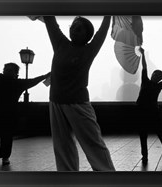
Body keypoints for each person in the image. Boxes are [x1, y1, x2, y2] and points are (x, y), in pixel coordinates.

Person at [43, 16, 115, 171]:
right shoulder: (60, 43)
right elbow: (50, 21)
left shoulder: (89, 49)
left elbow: (102, 32)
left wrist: (109, 12)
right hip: (55, 102)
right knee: (62, 148)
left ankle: (109, 177)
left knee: (93, 144)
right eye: (73, 27)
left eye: (79, 28)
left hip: (79, 104)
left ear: (87, 35)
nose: (73, 30)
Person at [0, 53, 50, 165]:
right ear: (16, 74)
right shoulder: (19, 83)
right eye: (7, 69)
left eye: (8, 69)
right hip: (7, 115)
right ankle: (5, 157)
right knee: (6, 135)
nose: (7, 71)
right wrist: (46, 75)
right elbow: (34, 81)